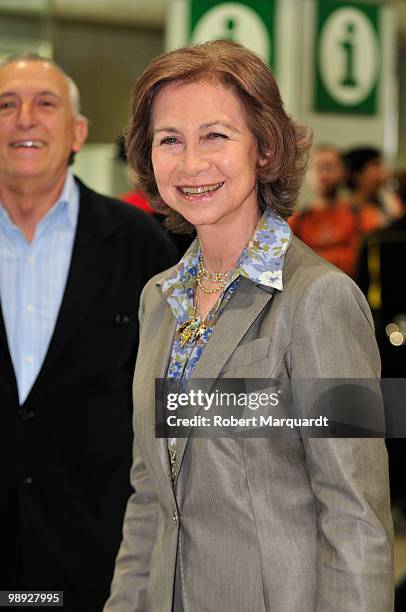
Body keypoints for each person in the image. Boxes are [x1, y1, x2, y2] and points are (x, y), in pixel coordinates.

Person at [104, 41, 394, 612]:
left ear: (264, 148)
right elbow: (149, 497)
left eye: (215, 135)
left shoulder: (323, 300)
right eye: (169, 139)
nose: (191, 163)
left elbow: (357, 517)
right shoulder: (158, 301)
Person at [0, 54, 176, 611]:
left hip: (99, 556)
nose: (24, 117)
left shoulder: (143, 245)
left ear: (78, 132)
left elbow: (170, 401)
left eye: (45, 104)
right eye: (5, 105)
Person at [289, 145, 362, 276]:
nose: (323, 175)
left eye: (329, 167)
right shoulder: (297, 220)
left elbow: (360, 260)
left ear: (343, 172)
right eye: (316, 168)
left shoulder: (361, 215)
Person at [344, 146, 402, 230]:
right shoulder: (343, 208)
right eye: (376, 165)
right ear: (357, 174)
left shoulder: (389, 203)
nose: (384, 172)